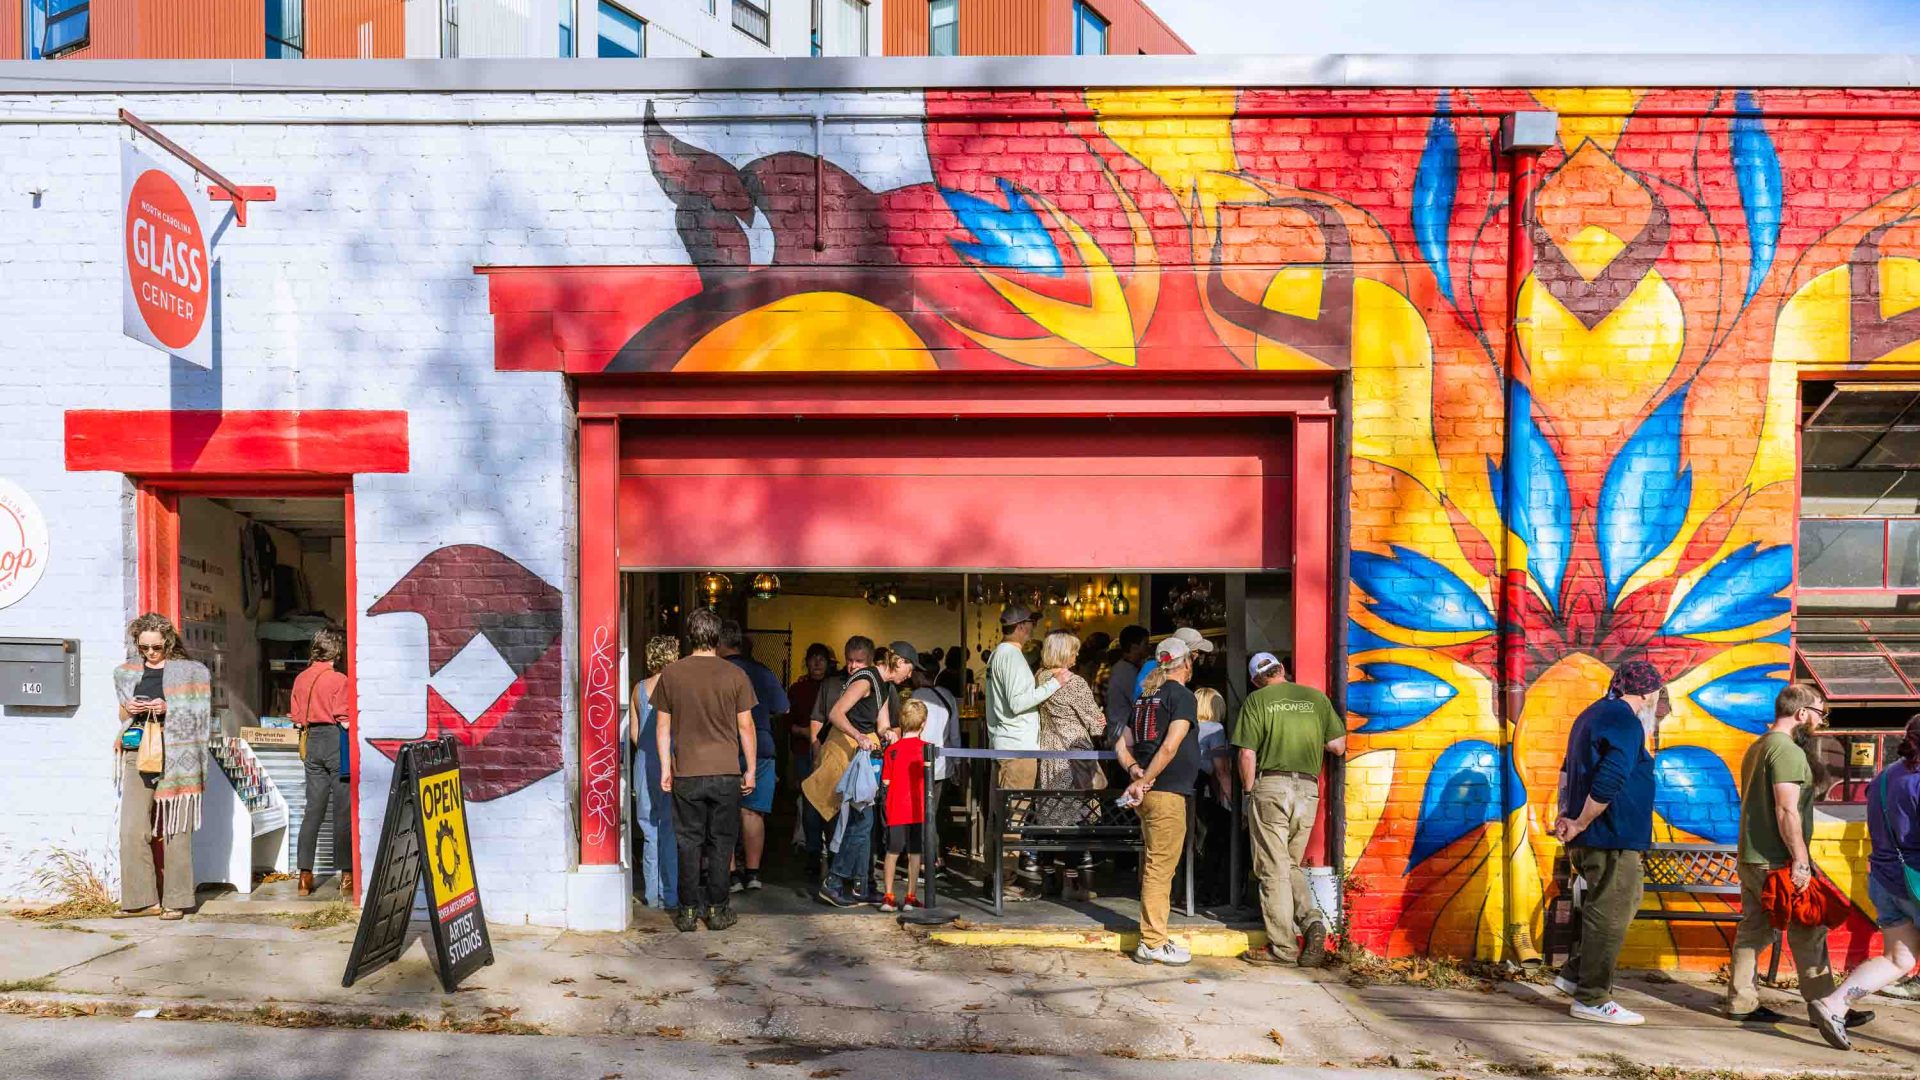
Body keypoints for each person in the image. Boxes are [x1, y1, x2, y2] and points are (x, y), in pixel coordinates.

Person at [1548, 660, 1663, 1025]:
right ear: (1647, 691)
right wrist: (1578, 822)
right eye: (1658, 690)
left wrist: (1566, 817)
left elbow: (1568, 770)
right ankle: (1593, 998)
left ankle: (1574, 975)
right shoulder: (1625, 721)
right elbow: (1610, 776)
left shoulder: (1592, 715)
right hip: (1610, 834)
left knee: (1621, 902)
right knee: (1610, 912)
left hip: (1599, 833)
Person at [1725, 683, 1840, 1023]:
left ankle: (1740, 1002)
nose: (1821, 721)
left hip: (1752, 855)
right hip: (1777, 860)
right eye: (1820, 713)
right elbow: (1786, 810)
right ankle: (1828, 1009)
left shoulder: (1759, 745)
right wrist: (1801, 861)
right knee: (1809, 926)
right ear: (1802, 713)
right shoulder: (1786, 750)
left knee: (1754, 930)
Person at [1808, 715, 1920, 1050]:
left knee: (1899, 959)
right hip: (1915, 881)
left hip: (1885, 880)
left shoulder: (1885, 777)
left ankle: (1833, 1005)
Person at [654, 609, 757, 933]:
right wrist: (750, 769)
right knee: (721, 843)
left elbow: (662, 726)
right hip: (726, 771)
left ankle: (686, 912)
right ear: (717, 637)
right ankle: (717, 909)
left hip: (686, 771)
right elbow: (746, 726)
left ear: (690, 635)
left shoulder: (672, 674)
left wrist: (665, 767)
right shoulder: (735, 675)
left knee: (688, 842)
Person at [112, 613, 212, 921]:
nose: (151, 654)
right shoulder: (127, 673)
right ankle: (141, 900)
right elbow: (121, 715)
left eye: (156, 647)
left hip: (177, 752)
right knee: (131, 827)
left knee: (176, 827)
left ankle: (177, 901)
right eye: (144, 648)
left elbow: (200, 716)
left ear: (168, 642)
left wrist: (170, 708)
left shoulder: (191, 672)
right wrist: (130, 708)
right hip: (138, 749)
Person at [1116, 636, 1202, 966]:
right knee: (1160, 868)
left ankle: (1155, 936)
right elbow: (1171, 745)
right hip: (1165, 792)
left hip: (1150, 792)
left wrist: (1137, 772)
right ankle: (1153, 941)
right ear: (1187, 664)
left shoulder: (1145, 697)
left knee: (1155, 864)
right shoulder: (1182, 696)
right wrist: (1145, 780)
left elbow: (1122, 744)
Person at [985, 606, 1068, 887]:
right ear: (1021, 626)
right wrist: (1054, 685)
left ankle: (996, 876)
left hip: (1007, 745)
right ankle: (1004, 880)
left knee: (1003, 814)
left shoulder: (1001, 655)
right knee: (1014, 816)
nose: (1033, 627)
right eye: (1031, 622)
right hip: (1017, 747)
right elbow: (1018, 702)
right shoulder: (1011, 656)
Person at [806, 637, 891, 907]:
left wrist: (886, 737)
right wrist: (815, 749)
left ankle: (856, 883)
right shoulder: (834, 684)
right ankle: (839, 880)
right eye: (850, 660)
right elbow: (823, 717)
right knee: (839, 821)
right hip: (838, 757)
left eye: (859, 661)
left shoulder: (879, 684)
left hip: (860, 762)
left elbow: (884, 723)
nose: (853, 666)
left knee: (861, 823)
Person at [720, 621, 789, 893]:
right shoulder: (763, 672)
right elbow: (783, 708)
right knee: (753, 812)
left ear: (720, 643)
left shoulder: (719, 671)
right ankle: (753, 873)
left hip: (725, 745)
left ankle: (731, 875)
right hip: (761, 746)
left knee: (725, 812)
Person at [1036, 630, 1108, 888]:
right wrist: (1100, 719)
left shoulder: (1041, 678)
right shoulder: (1074, 683)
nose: (1077, 654)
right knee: (1076, 818)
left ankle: (1047, 878)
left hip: (1049, 753)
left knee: (1051, 816)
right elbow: (1095, 723)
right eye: (1074, 650)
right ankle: (1072, 884)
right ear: (1064, 652)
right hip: (1074, 755)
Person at [289, 626, 353, 900]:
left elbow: (295, 716)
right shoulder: (339, 680)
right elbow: (345, 718)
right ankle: (347, 875)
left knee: (313, 808)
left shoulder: (301, 678)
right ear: (337, 651)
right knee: (343, 810)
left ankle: (304, 875)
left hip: (310, 741)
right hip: (334, 741)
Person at [628, 634, 681, 910]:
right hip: (670, 761)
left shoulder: (639, 689)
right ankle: (671, 894)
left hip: (645, 762)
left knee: (649, 830)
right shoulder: (676, 686)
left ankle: (652, 895)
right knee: (669, 829)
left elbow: (635, 733)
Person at [878, 697, 932, 913]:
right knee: (915, 853)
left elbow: (886, 781)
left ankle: (888, 895)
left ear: (900, 722)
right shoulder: (927, 749)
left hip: (896, 808)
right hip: (918, 809)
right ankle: (911, 896)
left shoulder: (892, 751)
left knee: (891, 852)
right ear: (923, 723)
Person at [785, 644, 835, 855]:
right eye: (813, 658)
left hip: (831, 753)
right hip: (804, 751)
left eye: (821, 659)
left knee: (831, 798)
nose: (817, 663)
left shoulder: (835, 688)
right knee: (807, 798)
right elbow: (787, 722)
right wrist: (804, 731)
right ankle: (809, 845)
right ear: (806, 662)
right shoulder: (797, 689)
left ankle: (829, 845)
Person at [1133, 626, 1214, 699]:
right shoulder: (1152, 667)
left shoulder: (1152, 666)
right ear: (1185, 653)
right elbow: (1141, 700)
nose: (1197, 657)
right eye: (1197, 652)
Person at [1104, 625, 1150, 747]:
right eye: (1145, 644)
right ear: (1134, 647)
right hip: (1122, 735)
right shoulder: (1125, 671)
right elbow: (1140, 700)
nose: (1148, 647)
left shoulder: (1127, 668)